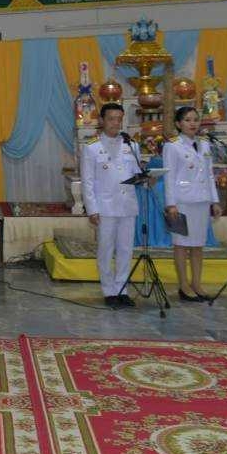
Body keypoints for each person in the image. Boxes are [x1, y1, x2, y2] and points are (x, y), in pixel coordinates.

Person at [80, 103, 146, 308]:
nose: (116, 123)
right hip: (105, 206)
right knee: (106, 249)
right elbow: (88, 181)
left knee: (126, 249)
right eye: (111, 118)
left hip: (127, 205)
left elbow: (136, 173)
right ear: (102, 120)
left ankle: (122, 289)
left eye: (119, 118)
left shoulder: (131, 145)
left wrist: (146, 178)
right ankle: (109, 291)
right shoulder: (92, 147)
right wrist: (92, 209)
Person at [162, 107, 221, 302]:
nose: (193, 123)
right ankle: (184, 286)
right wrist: (170, 204)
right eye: (187, 120)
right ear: (179, 124)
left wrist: (215, 200)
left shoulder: (204, 144)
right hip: (182, 201)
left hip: (201, 201)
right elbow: (168, 176)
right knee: (181, 245)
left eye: (195, 119)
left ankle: (197, 284)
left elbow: (209, 174)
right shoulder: (172, 145)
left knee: (198, 245)